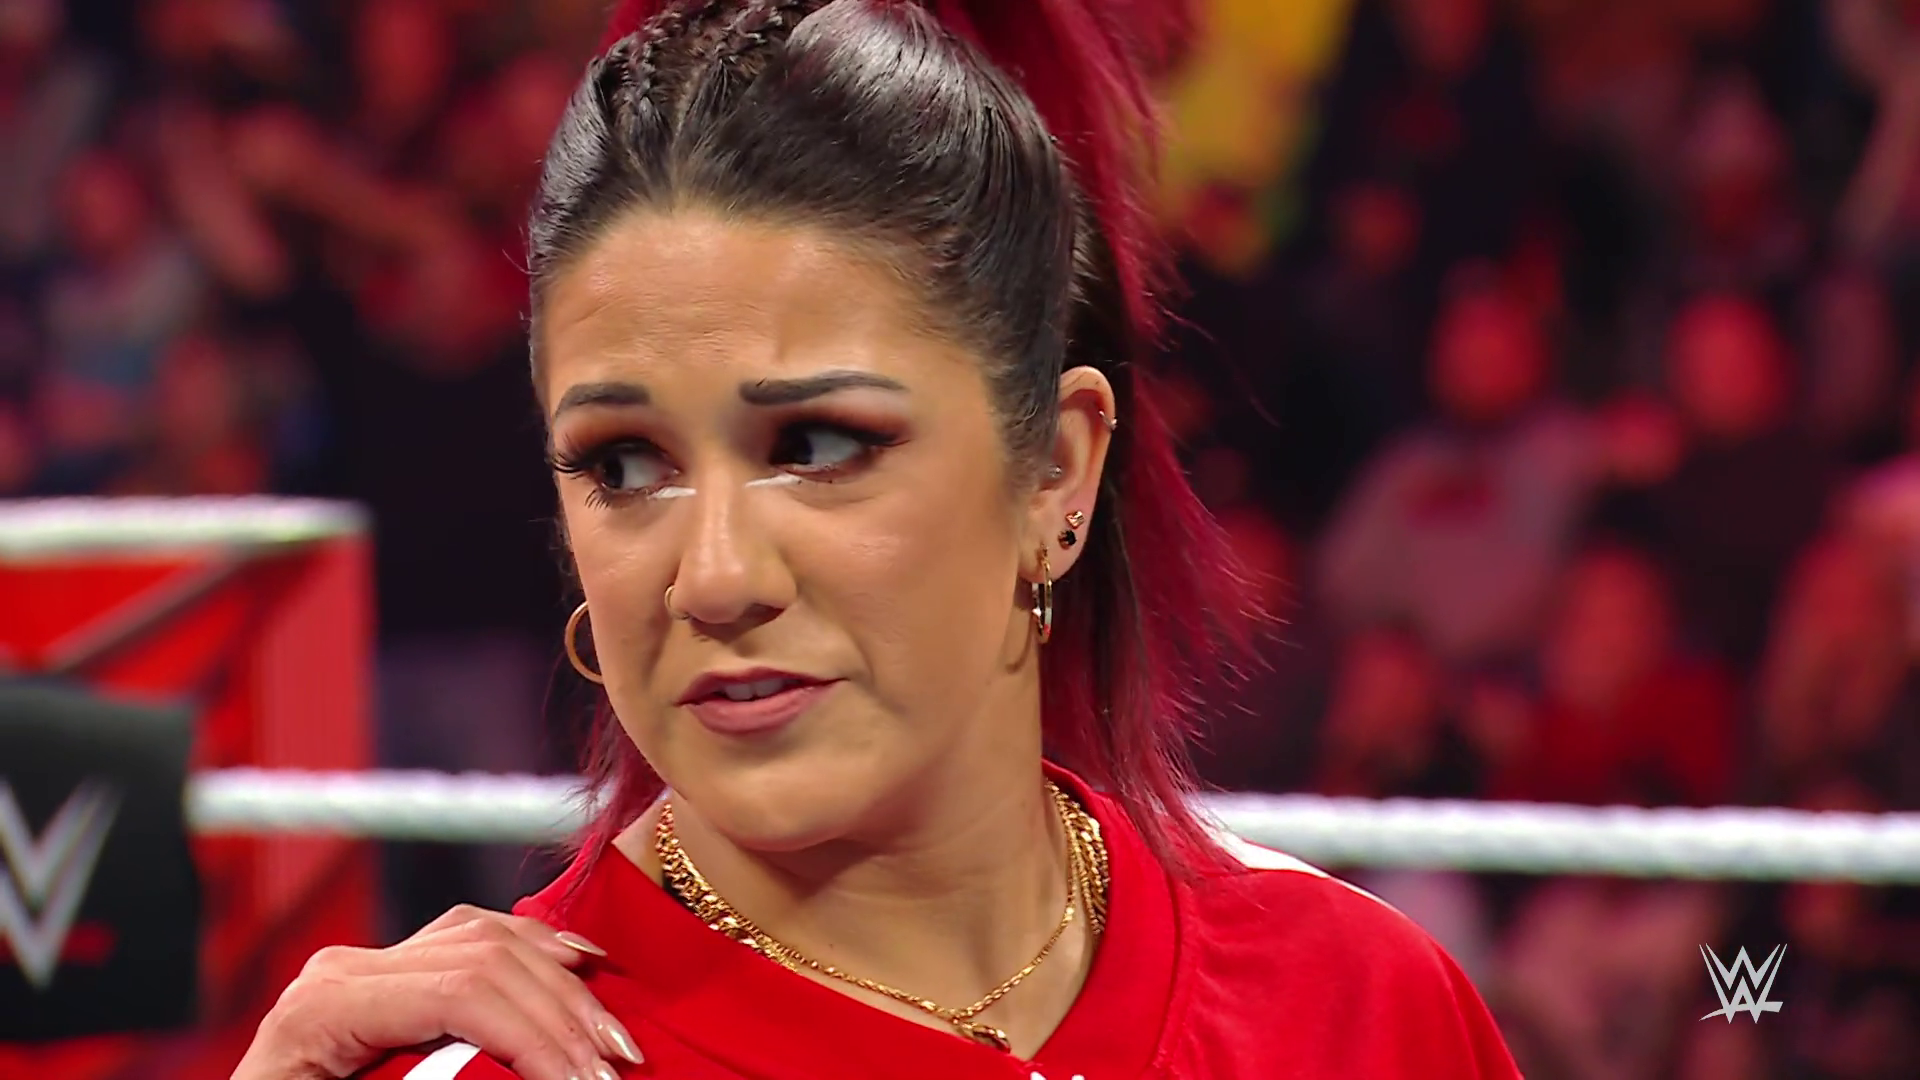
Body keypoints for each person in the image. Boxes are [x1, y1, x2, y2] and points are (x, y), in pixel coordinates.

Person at [233, 1, 1522, 1078]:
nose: (716, 577)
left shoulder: (1360, 1005)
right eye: (624, 466)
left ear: (1055, 471)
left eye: (817, 446)